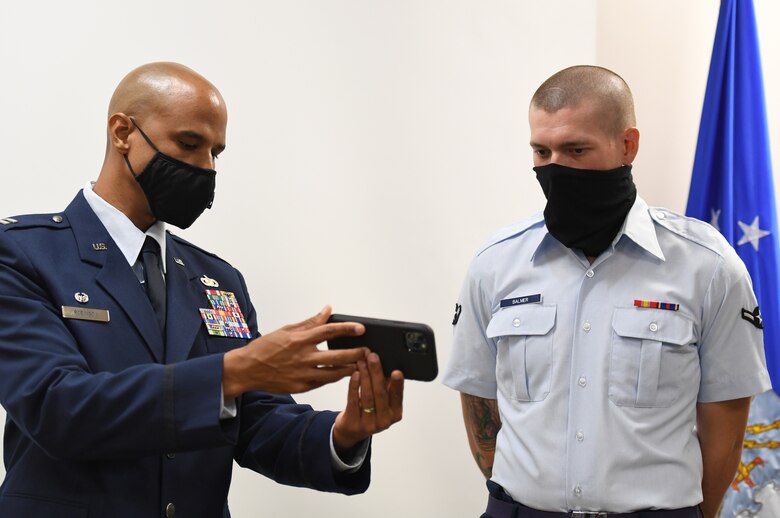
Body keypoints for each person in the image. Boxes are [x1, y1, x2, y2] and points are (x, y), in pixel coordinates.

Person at [0, 62, 404, 517]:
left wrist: (344, 433)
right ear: (122, 132)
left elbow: (256, 420)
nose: (206, 167)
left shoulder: (217, 280)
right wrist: (231, 372)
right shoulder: (22, 254)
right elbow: (57, 407)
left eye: (217, 153)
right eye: (189, 144)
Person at [443, 65, 770, 518]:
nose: (555, 167)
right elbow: (480, 405)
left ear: (627, 145)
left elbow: (725, 429)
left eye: (576, 149)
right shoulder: (496, 263)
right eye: (542, 151)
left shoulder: (708, 268)